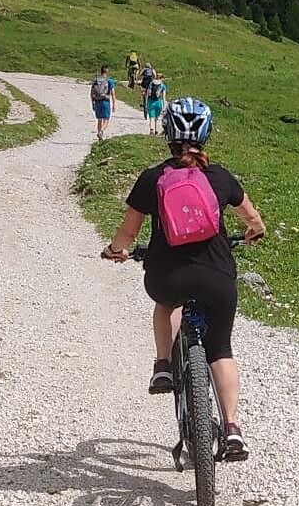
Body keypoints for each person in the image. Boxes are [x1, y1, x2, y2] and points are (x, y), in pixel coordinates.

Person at [102, 97, 265, 459]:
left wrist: (116, 251)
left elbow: (127, 234)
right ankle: (234, 430)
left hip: (167, 276)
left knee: (166, 304)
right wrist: (254, 231)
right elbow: (253, 220)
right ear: (206, 135)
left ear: (167, 134)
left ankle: (163, 366)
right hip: (218, 279)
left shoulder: (153, 178)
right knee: (220, 349)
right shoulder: (220, 177)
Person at [89, 65, 117, 141]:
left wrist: (93, 103)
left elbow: (91, 93)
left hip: (97, 101)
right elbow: (113, 94)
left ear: (101, 71)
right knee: (106, 119)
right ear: (107, 72)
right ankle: (101, 131)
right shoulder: (109, 81)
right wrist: (114, 104)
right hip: (105, 102)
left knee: (99, 120)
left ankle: (99, 137)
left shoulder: (96, 80)